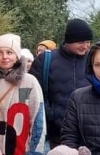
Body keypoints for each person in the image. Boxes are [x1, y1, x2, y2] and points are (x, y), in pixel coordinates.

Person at [29, 18, 94, 148]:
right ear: (69, 40)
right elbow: (34, 92)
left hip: (87, 133)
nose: (85, 46)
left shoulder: (93, 60)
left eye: (88, 42)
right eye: (81, 42)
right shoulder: (45, 60)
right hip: (55, 135)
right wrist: (51, 115)